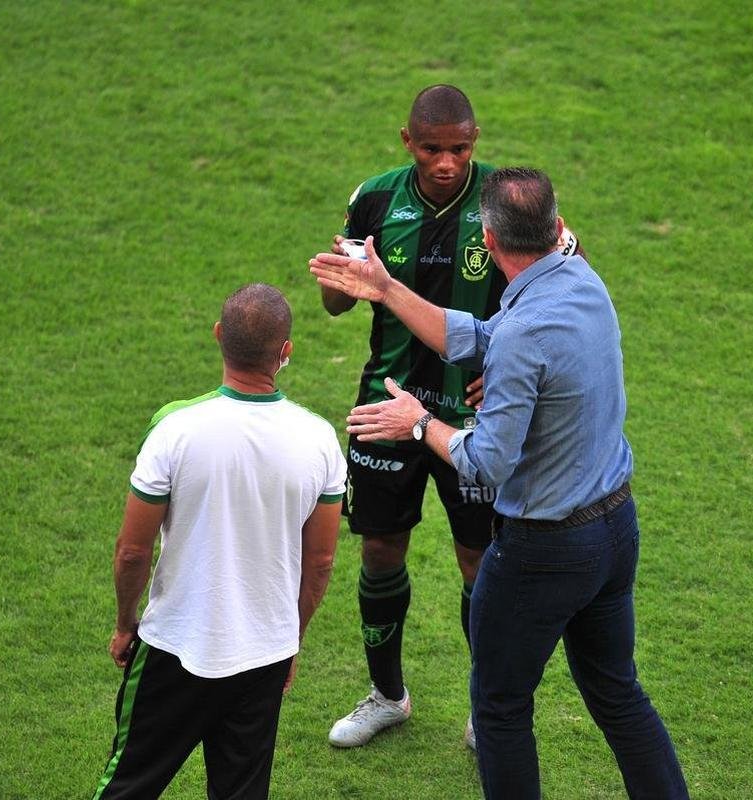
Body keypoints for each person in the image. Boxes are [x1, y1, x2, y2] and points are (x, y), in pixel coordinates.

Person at [309, 169, 688, 798]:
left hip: (545, 550)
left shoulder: (521, 335)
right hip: (615, 529)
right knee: (619, 695)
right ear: (557, 228)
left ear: (487, 238)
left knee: (500, 708)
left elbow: (486, 463)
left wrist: (417, 422)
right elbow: (480, 336)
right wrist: (387, 288)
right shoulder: (584, 283)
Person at [89, 283, 346, 800]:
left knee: (127, 786)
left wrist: (124, 623)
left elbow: (133, 551)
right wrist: (290, 638)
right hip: (264, 655)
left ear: (218, 336)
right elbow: (320, 563)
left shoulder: (174, 429)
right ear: (286, 351)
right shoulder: (319, 440)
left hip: (173, 646)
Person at [318, 83, 502, 751]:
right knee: (378, 550)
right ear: (407, 142)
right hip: (384, 404)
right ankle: (387, 696)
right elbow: (335, 304)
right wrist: (340, 280)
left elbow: (559, 288)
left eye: (459, 149)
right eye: (431, 149)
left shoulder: (504, 200)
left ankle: (487, 709)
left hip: (472, 416)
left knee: (479, 562)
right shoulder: (374, 199)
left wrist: (503, 368)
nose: (446, 162)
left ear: (474, 140)